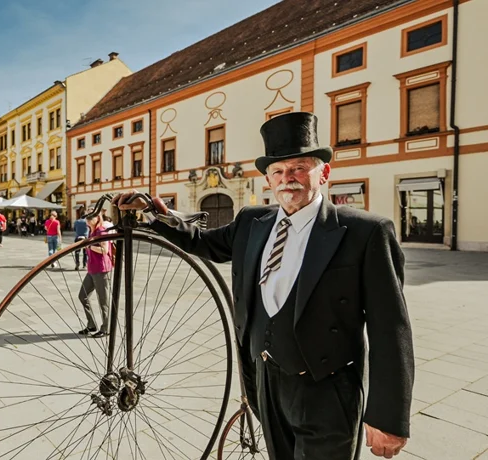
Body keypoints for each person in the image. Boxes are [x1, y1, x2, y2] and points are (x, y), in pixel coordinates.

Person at [113, 112, 414, 460]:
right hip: (265, 382)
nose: (288, 179)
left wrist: (388, 417)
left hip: (326, 392)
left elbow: (390, 328)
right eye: (278, 171)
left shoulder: (365, 231)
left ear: (323, 173)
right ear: (268, 180)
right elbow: (203, 242)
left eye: (299, 168)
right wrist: (154, 212)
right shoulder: (252, 222)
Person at [77, 212, 113, 338]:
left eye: (90, 218)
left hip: (102, 269)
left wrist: (88, 245)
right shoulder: (91, 231)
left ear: (97, 218)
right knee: (83, 296)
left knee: (103, 300)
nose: (87, 220)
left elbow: (104, 250)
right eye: (86, 218)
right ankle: (91, 324)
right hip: (92, 269)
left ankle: (106, 328)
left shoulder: (101, 231)